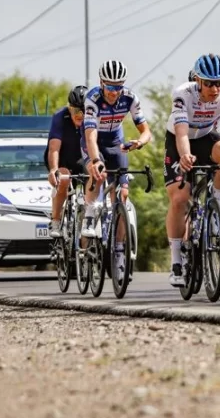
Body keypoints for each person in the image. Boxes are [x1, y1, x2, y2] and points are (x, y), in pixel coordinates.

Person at [165, 54, 220, 287]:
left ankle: (215, 210)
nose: (215, 88)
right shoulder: (183, 94)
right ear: (198, 81)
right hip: (180, 140)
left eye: (219, 82)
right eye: (209, 83)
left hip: (207, 137)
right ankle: (176, 259)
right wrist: (185, 155)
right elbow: (180, 132)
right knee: (180, 198)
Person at [81, 59, 152, 284]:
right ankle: (90, 216)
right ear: (102, 83)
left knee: (122, 195)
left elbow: (146, 131)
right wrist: (95, 160)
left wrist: (139, 142)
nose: (114, 92)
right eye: (110, 87)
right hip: (93, 143)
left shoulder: (130, 98)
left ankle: (119, 250)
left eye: (118, 86)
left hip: (115, 143)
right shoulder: (92, 99)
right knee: (97, 174)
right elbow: (90, 135)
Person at [45, 85, 88, 238]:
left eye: (84, 111)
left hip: (81, 158)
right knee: (64, 178)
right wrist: (53, 169)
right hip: (61, 156)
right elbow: (54, 148)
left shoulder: (92, 119)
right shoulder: (60, 117)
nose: (80, 115)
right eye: (76, 111)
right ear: (69, 108)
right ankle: (55, 220)